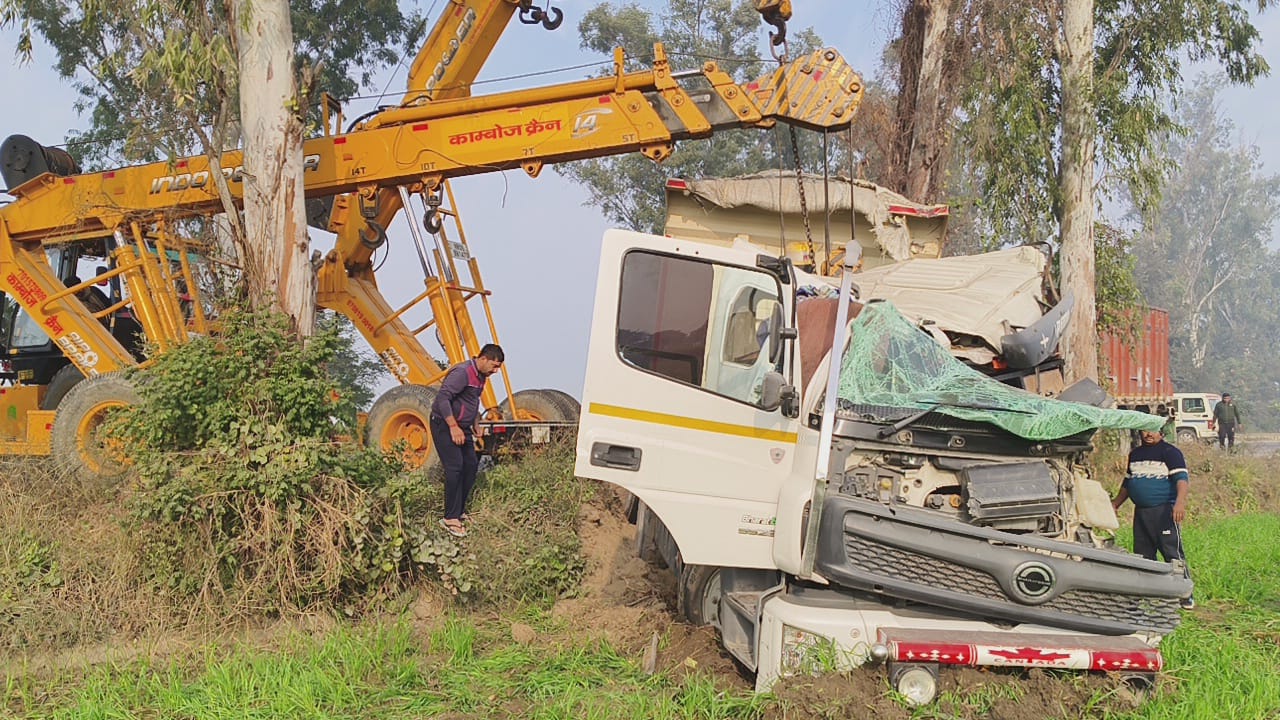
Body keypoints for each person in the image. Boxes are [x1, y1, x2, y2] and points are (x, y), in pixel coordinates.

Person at [1112, 428, 1194, 609]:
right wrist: (1116, 503)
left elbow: (1181, 479)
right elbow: (1128, 482)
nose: (1149, 434)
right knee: (1143, 555)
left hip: (1164, 511)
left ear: (1161, 433)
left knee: (1172, 552)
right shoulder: (1135, 454)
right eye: (1145, 430)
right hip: (1141, 512)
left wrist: (1179, 503)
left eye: (1153, 431)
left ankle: (1185, 595)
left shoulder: (1170, 453)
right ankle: (1145, 594)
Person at [430, 344, 504, 538]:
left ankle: (459, 511)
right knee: (455, 468)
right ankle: (449, 518)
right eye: (494, 366)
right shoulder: (463, 372)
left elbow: (472, 402)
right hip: (445, 425)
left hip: (463, 427)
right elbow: (443, 399)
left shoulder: (481, 377)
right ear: (484, 359)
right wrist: (453, 427)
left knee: (471, 465)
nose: (495, 371)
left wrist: (476, 423)